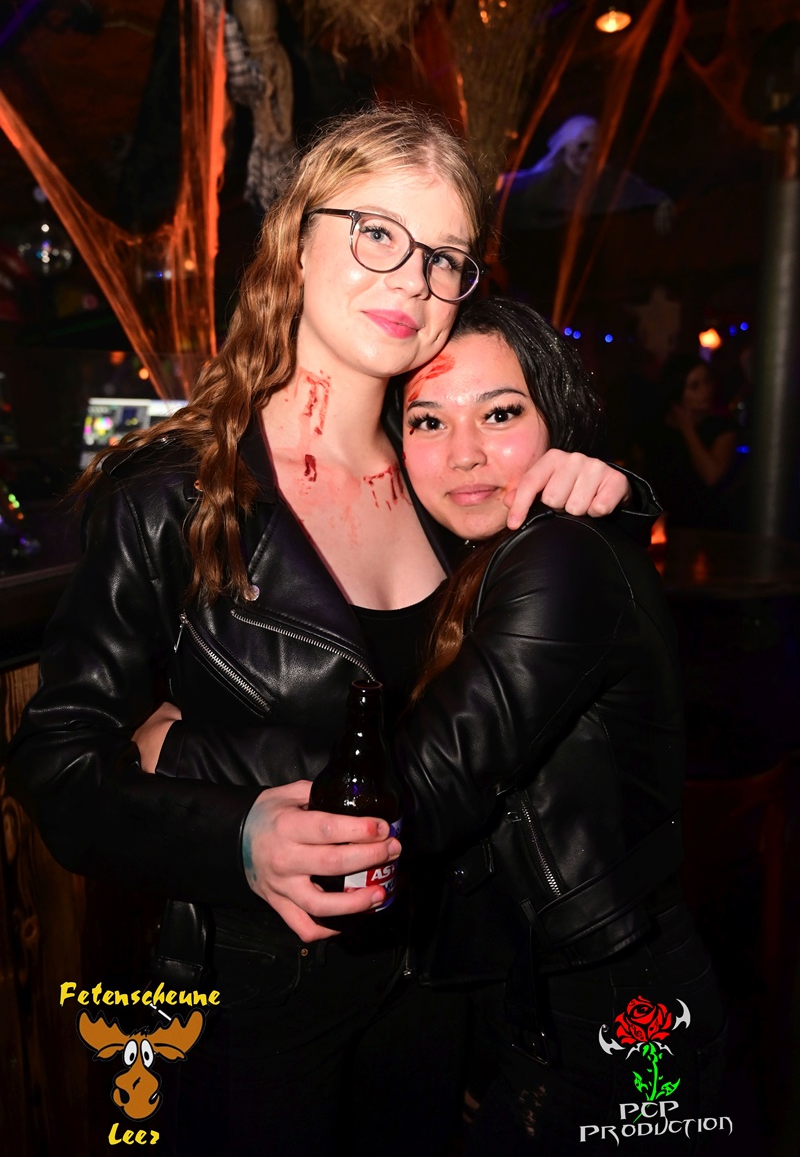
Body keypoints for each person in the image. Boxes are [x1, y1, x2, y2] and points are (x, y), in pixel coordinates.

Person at [5, 106, 656, 1156]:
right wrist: (239, 835)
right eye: (377, 233)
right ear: (296, 240)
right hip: (261, 994)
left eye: (444, 257)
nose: (413, 280)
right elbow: (57, 764)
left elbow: (528, 698)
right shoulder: (174, 493)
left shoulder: (456, 483)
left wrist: (607, 495)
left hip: (447, 988)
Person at [387, 298, 727, 1154]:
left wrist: (190, 751)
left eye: (500, 413)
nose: (464, 451)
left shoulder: (559, 553)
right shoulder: (468, 559)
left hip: (614, 1009)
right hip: (548, 995)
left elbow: (423, 786)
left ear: (556, 420)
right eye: (428, 420)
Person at [642, 352, 738, 529]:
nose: (705, 390)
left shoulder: (722, 427)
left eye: (707, 382)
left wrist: (688, 430)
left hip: (709, 526)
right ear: (677, 391)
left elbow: (712, 476)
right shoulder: (656, 428)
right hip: (664, 524)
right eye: (695, 386)